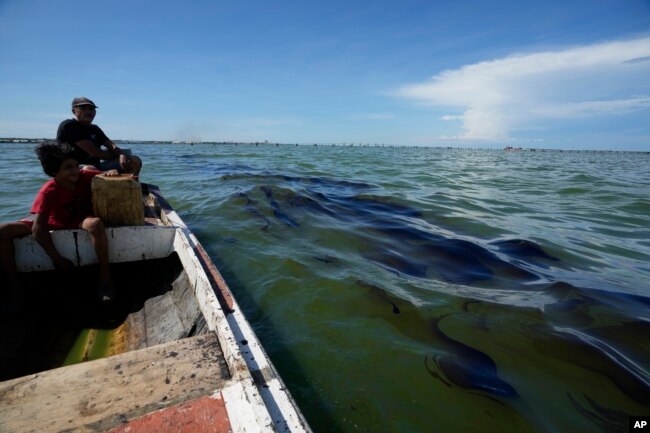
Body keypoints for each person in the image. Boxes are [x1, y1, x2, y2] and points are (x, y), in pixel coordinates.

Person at [0, 141, 119, 310]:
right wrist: (57, 259)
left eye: (77, 165)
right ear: (54, 171)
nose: (75, 170)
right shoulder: (48, 191)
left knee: (96, 224)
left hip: (77, 220)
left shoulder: (85, 177)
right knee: (2, 231)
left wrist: (110, 173)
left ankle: (105, 278)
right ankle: (15, 288)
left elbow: (105, 175)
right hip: (53, 222)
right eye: (68, 167)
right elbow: (38, 229)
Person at [56, 97, 142, 176]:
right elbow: (94, 152)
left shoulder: (94, 128)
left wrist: (121, 154)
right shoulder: (69, 125)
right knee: (89, 168)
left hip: (96, 166)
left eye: (91, 109)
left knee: (135, 161)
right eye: (83, 108)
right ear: (74, 111)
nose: (88, 112)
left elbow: (111, 145)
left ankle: (131, 186)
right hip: (74, 168)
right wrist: (117, 156)